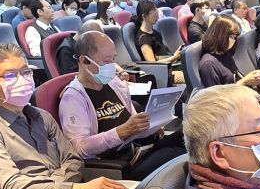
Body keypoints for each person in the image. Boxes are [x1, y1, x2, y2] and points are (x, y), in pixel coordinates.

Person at [0, 43, 125, 189]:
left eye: (25, 72)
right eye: (9, 76)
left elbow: (73, 159)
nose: (22, 80)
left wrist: (62, 185)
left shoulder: (42, 116)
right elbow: (11, 186)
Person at [58, 30, 185, 180]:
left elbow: (132, 116)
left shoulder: (114, 83)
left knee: (187, 135)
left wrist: (151, 126)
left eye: (113, 59)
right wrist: (121, 132)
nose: (112, 66)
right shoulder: (73, 98)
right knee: (178, 156)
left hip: (137, 150)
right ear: (84, 61)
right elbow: (79, 148)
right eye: (106, 61)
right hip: (115, 166)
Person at [198, 16, 260, 104]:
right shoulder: (208, 64)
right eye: (231, 36)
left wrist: (253, 81)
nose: (234, 40)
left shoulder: (225, 54)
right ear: (219, 36)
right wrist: (244, 82)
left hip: (243, 99)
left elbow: (233, 80)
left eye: (235, 37)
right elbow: (216, 100)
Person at [132, 0, 184, 84]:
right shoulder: (144, 39)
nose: (157, 14)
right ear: (144, 16)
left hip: (170, 67)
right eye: (154, 12)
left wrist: (176, 55)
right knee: (189, 76)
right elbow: (153, 65)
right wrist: (174, 57)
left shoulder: (155, 33)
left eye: (156, 10)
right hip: (163, 73)